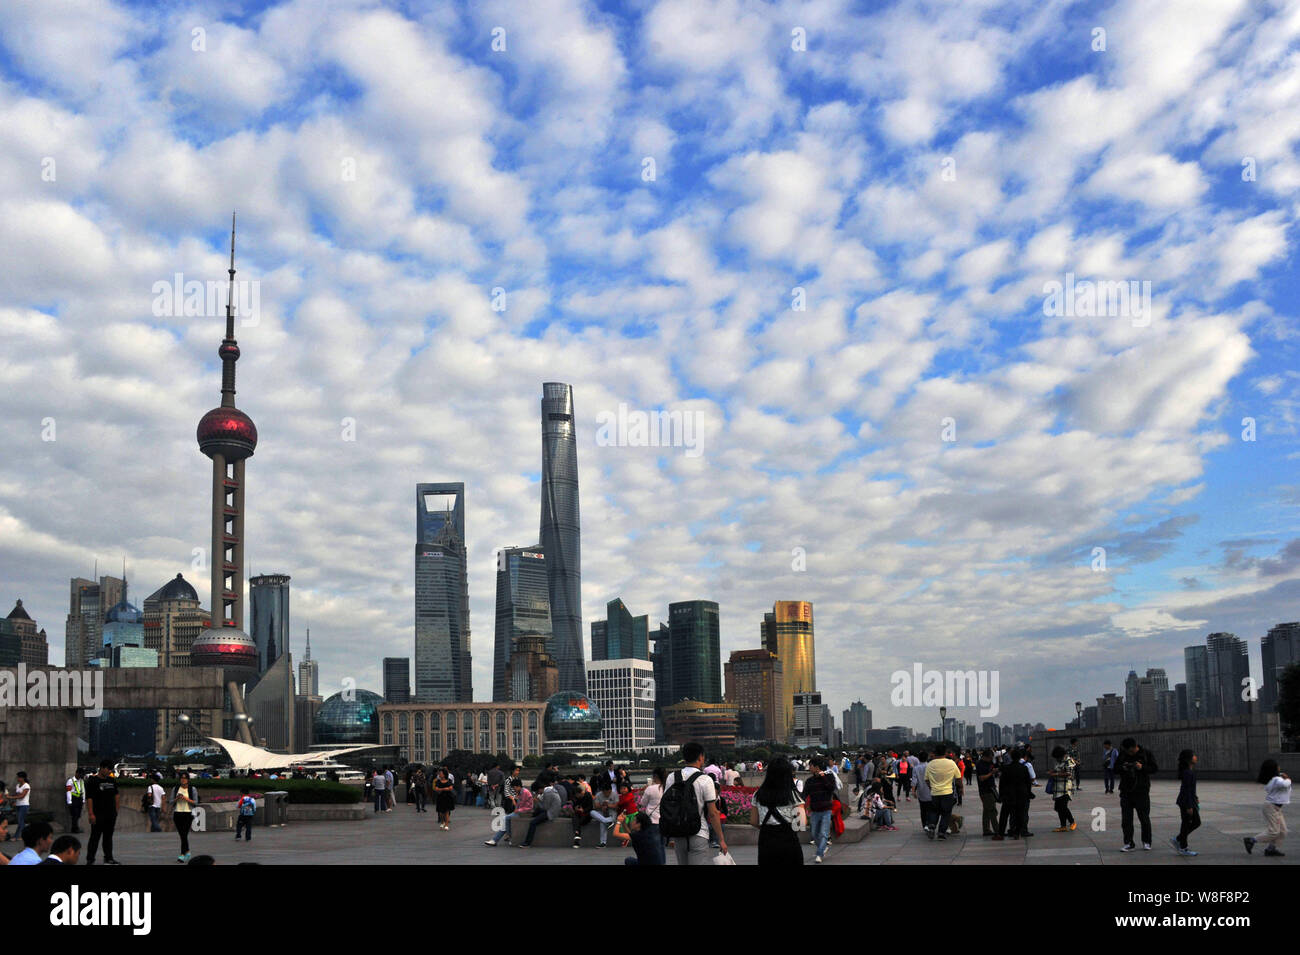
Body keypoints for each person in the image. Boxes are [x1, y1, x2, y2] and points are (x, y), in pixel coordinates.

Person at [662, 741, 728, 864]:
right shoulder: (705, 779)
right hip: (699, 833)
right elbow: (713, 813)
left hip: (678, 833)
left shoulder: (672, 777)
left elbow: (668, 805)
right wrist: (721, 839)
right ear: (701, 757)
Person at [750, 755, 805, 864]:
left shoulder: (758, 795)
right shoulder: (793, 795)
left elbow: (753, 821)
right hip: (789, 841)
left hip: (766, 841)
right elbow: (800, 824)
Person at [1117, 737, 1157, 851]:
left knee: (1144, 818)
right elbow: (1115, 768)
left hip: (1141, 790)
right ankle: (1129, 842)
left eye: (1129, 751)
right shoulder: (1123, 754)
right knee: (1126, 819)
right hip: (1126, 790)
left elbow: (1154, 768)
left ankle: (1146, 841)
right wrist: (1123, 767)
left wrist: (1142, 767)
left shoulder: (1146, 753)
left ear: (1134, 747)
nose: (1128, 753)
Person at [1244, 759, 1291, 858]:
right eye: (1277, 765)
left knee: (1283, 831)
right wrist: (1288, 779)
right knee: (1274, 831)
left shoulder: (1275, 778)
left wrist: (1283, 777)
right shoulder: (1277, 780)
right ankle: (1251, 840)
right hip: (1271, 807)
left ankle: (1271, 849)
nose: (1279, 767)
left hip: (1276, 808)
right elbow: (1285, 784)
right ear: (1274, 768)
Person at [84, 760, 121, 865]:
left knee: (108, 837)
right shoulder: (93, 781)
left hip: (110, 814)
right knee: (95, 837)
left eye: (111, 769)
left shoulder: (112, 780)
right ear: (102, 768)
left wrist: (116, 810)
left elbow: (116, 795)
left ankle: (108, 858)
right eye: (108, 769)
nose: (109, 771)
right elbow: (89, 798)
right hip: (98, 814)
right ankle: (90, 859)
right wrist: (91, 813)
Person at [803, 755, 837, 862]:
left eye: (810, 766)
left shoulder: (829, 776)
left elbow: (831, 788)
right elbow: (804, 794)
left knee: (823, 833)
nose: (809, 768)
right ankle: (822, 848)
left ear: (817, 767)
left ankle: (819, 854)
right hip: (815, 810)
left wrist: (823, 777)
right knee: (814, 833)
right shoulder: (809, 781)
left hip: (826, 810)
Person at [925, 746, 962, 839]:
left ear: (936, 753)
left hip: (935, 793)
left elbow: (926, 780)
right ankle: (941, 833)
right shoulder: (951, 763)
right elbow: (958, 778)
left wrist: (931, 787)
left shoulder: (930, 764)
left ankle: (932, 825)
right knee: (946, 813)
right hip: (947, 792)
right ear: (945, 753)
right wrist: (960, 788)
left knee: (934, 811)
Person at [994, 749, 1031, 840]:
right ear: (1020, 757)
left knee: (1004, 815)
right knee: (1019, 815)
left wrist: (1001, 795)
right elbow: (1028, 782)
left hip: (1008, 795)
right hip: (1021, 795)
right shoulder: (1024, 768)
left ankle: (1000, 834)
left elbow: (1001, 783)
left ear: (1011, 756)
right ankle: (1017, 833)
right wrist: (1028, 793)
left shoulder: (1006, 768)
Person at [485, 779, 534, 846]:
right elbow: (520, 804)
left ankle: (504, 837)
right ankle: (495, 840)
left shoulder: (525, 792)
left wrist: (518, 810)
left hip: (525, 812)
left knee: (506, 819)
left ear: (518, 786)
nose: (514, 789)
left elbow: (528, 806)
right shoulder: (521, 792)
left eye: (514, 787)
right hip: (520, 811)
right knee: (505, 822)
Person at [519, 776, 563, 848]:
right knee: (536, 812)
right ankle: (532, 815)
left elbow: (545, 807)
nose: (537, 793)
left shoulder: (548, 793)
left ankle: (527, 843)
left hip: (551, 813)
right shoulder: (548, 790)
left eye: (536, 792)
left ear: (539, 789)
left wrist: (538, 801)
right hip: (551, 809)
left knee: (533, 823)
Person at [1171, 749, 1199, 857]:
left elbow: (1190, 789)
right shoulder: (1187, 772)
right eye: (1194, 755)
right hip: (1186, 802)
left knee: (1195, 822)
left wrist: (1195, 798)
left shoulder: (1189, 771)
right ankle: (1183, 847)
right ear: (1189, 759)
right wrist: (1189, 806)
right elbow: (1186, 789)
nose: (1196, 757)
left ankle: (1178, 839)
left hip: (1189, 800)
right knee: (1187, 822)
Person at [638, 767, 667, 864]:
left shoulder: (650, 789)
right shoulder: (667, 787)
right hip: (664, 821)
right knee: (662, 846)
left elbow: (642, 803)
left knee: (654, 847)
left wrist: (643, 791)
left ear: (655, 777)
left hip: (652, 821)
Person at [172, 771, 200, 863]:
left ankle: (182, 855)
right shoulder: (176, 789)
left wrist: (186, 798)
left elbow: (195, 802)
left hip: (188, 814)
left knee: (184, 834)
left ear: (188, 779)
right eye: (182, 778)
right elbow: (171, 801)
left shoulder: (192, 789)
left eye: (185, 778)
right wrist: (177, 798)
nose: (183, 780)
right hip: (177, 813)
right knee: (182, 835)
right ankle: (187, 851)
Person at [1048, 746, 1076, 832]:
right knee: (1058, 807)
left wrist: (1055, 774)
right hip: (1058, 788)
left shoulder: (1069, 761)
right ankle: (1063, 826)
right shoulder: (1059, 761)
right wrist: (1052, 772)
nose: (1056, 759)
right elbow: (1057, 769)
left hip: (1066, 788)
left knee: (1063, 807)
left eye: (1057, 757)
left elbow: (1069, 773)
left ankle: (1072, 822)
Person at [976, 748, 1000, 837]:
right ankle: (997, 830)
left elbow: (995, 766)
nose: (991, 760)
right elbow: (981, 778)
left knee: (986, 810)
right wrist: (991, 773)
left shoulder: (989, 763)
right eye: (990, 758)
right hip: (985, 791)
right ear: (985, 757)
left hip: (991, 789)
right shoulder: (980, 765)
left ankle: (986, 829)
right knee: (992, 810)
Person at [12, 772, 31, 838]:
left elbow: (22, 796)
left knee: (20, 821)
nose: (17, 779)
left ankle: (16, 836)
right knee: (21, 821)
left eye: (19, 777)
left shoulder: (26, 786)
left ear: (23, 778)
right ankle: (26, 834)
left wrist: (11, 797)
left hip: (24, 805)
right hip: (18, 805)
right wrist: (14, 800)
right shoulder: (17, 785)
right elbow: (17, 795)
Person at [66, 770, 85, 834]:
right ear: (76, 773)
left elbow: (83, 790)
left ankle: (75, 828)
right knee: (75, 814)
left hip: (79, 799)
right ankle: (74, 829)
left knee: (78, 814)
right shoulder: (70, 781)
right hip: (73, 799)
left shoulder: (81, 781)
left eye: (82, 775)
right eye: (80, 774)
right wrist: (69, 801)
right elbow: (68, 791)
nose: (81, 776)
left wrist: (83, 800)